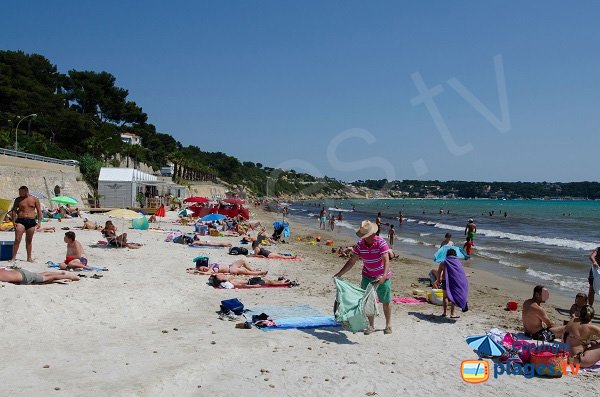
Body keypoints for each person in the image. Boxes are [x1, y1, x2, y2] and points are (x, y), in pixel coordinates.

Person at [334, 220, 392, 335]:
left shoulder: (381, 242)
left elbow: (386, 260)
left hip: (382, 275)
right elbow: (352, 261)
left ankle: (388, 325)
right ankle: (371, 325)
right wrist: (339, 274)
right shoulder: (360, 244)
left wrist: (384, 276)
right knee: (367, 301)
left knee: (386, 300)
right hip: (367, 275)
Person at [432, 249, 469, 318]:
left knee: (445, 297)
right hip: (454, 282)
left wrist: (437, 280)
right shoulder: (457, 262)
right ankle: (452, 314)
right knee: (453, 297)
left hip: (445, 281)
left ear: (447, 255)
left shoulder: (443, 263)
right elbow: (459, 273)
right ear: (455, 255)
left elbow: (439, 272)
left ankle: (444, 313)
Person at [10, 186, 42, 262]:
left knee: (29, 240)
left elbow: (39, 211)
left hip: (31, 221)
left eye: (21, 192)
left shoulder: (35, 199)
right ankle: (13, 257)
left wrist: (39, 222)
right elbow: (14, 210)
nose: (20, 193)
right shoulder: (18, 200)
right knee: (17, 239)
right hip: (21, 220)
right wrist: (13, 221)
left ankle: (29, 258)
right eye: (19, 192)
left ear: (26, 191)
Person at [0, 266, 80, 284]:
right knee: (37, 274)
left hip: (25, 277)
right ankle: (60, 273)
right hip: (18, 271)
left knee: (46, 278)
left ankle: (71, 276)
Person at [187, 258, 267, 276]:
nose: (204, 269)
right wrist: (196, 271)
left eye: (203, 267)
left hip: (231, 265)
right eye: (203, 270)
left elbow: (198, 267)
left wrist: (193, 269)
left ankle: (253, 269)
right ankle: (260, 273)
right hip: (231, 269)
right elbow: (206, 274)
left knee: (242, 260)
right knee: (247, 272)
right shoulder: (211, 270)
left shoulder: (210, 266)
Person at [208, 273, 292, 289]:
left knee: (268, 280)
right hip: (252, 282)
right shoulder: (230, 282)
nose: (222, 275)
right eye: (221, 276)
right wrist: (253, 286)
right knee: (271, 283)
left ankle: (283, 281)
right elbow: (242, 286)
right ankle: (286, 283)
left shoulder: (228, 279)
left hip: (251, 280)